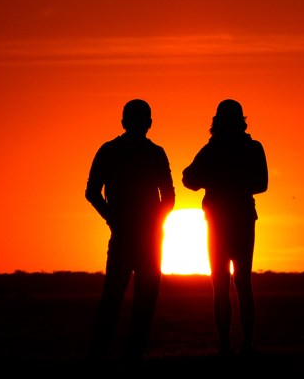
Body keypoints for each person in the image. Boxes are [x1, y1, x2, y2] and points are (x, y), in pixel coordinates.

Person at [85, 99, 176, 360]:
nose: (138, 125)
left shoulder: (121, 151)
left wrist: (114, 218)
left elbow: (168, 197)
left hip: (140, 235)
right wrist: (113, 218)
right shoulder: (146, 152)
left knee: (130, 295)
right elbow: (169, 197)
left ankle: (115, 352)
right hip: (132, 235)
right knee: (122, 295)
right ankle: (110, 351)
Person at [182, 99, 268, 357]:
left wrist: (216, 180)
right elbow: (189, 178)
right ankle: (234, 345)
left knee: (233, 284)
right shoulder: (237, 148)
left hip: (230, 219)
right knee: (233, 284)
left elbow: (261, 183)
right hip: (230, 219)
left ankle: (234, 346)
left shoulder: (216, 149)